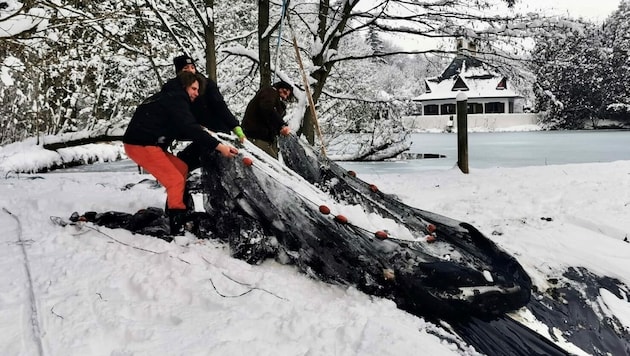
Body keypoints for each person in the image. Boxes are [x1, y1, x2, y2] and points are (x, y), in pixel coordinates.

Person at [123, 71, 238, 235]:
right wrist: (219, 147)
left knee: (181, 168)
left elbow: (179, 129)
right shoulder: (175, 99)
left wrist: (204, 131)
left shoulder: (170, 97)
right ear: (185, 86)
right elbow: (188, 127)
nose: (196, 94)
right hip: (140, 144)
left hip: (152, 143)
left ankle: (176, 209)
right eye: (194, 89)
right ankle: (176, 224)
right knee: (175, 180)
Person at [171, 54, 246, 171]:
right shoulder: (177, 91)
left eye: (192, 67)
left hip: (217, 132)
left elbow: (220, 105)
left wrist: (235, 126)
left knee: (212, 163)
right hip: (201, 133)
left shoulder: (206, 84)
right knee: (185, 161)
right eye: (186, 68)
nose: (190, 71)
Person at [241, 81, 293, 159]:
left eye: (287, 96)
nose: (284, 97)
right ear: (279, 88)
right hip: (256, 137)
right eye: (284, 92)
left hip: (258, 137)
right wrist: (281, 125)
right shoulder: (270, 92)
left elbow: (269, 116)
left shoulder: (272, 98)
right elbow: (267, 108)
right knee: (273, 167)